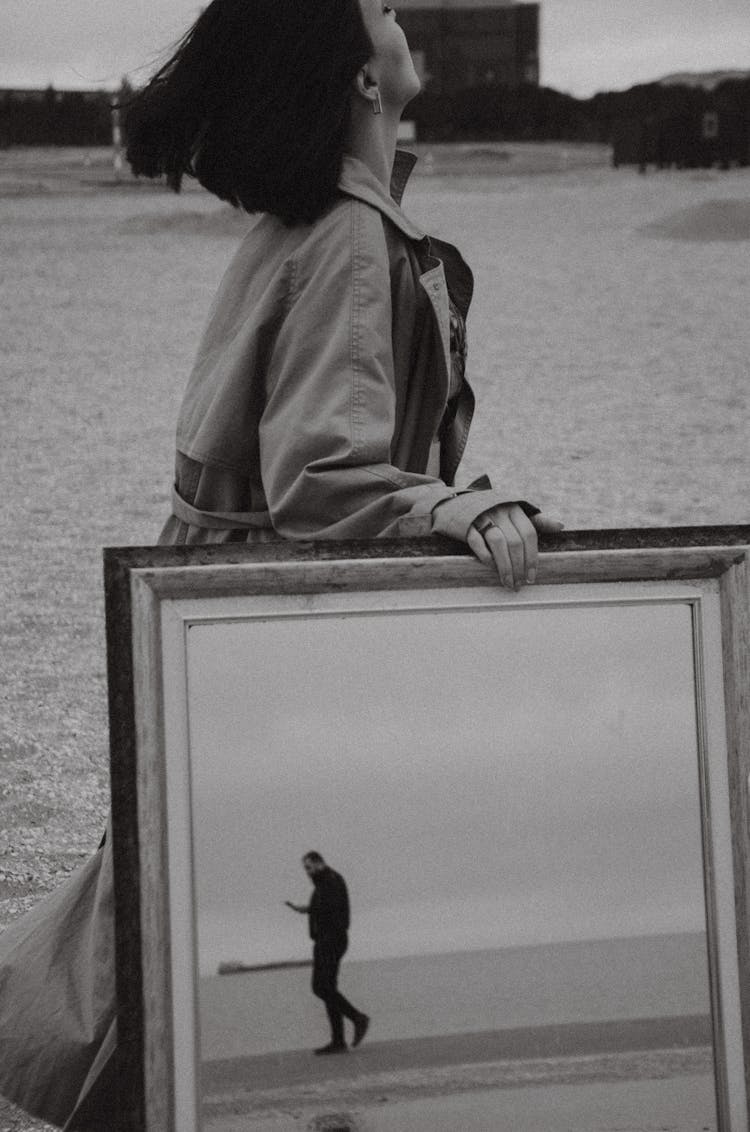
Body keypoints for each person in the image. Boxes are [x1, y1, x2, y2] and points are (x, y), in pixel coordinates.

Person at [0, 0, 562, 1126]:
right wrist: (459, 504)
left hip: (208, 627)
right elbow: (322, 478)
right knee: (174, 975)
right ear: (362, 79)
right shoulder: (352, 238)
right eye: (386, 11)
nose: (404, 15)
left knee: (161, 925)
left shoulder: (306, 227)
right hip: (263, 639)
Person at [285, 852, 369, 1053]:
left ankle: (358, 1018)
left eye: (309, 867)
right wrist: (305, 909)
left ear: (320, 863)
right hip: (328, 939)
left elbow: (330, 909)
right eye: (306, 868)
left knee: (320, 987)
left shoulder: (330, 880)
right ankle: (338, 1041)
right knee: (328, 988)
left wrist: (312, 911)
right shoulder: (325, 882)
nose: (308, 872)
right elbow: (325, 907)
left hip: (331, 940)